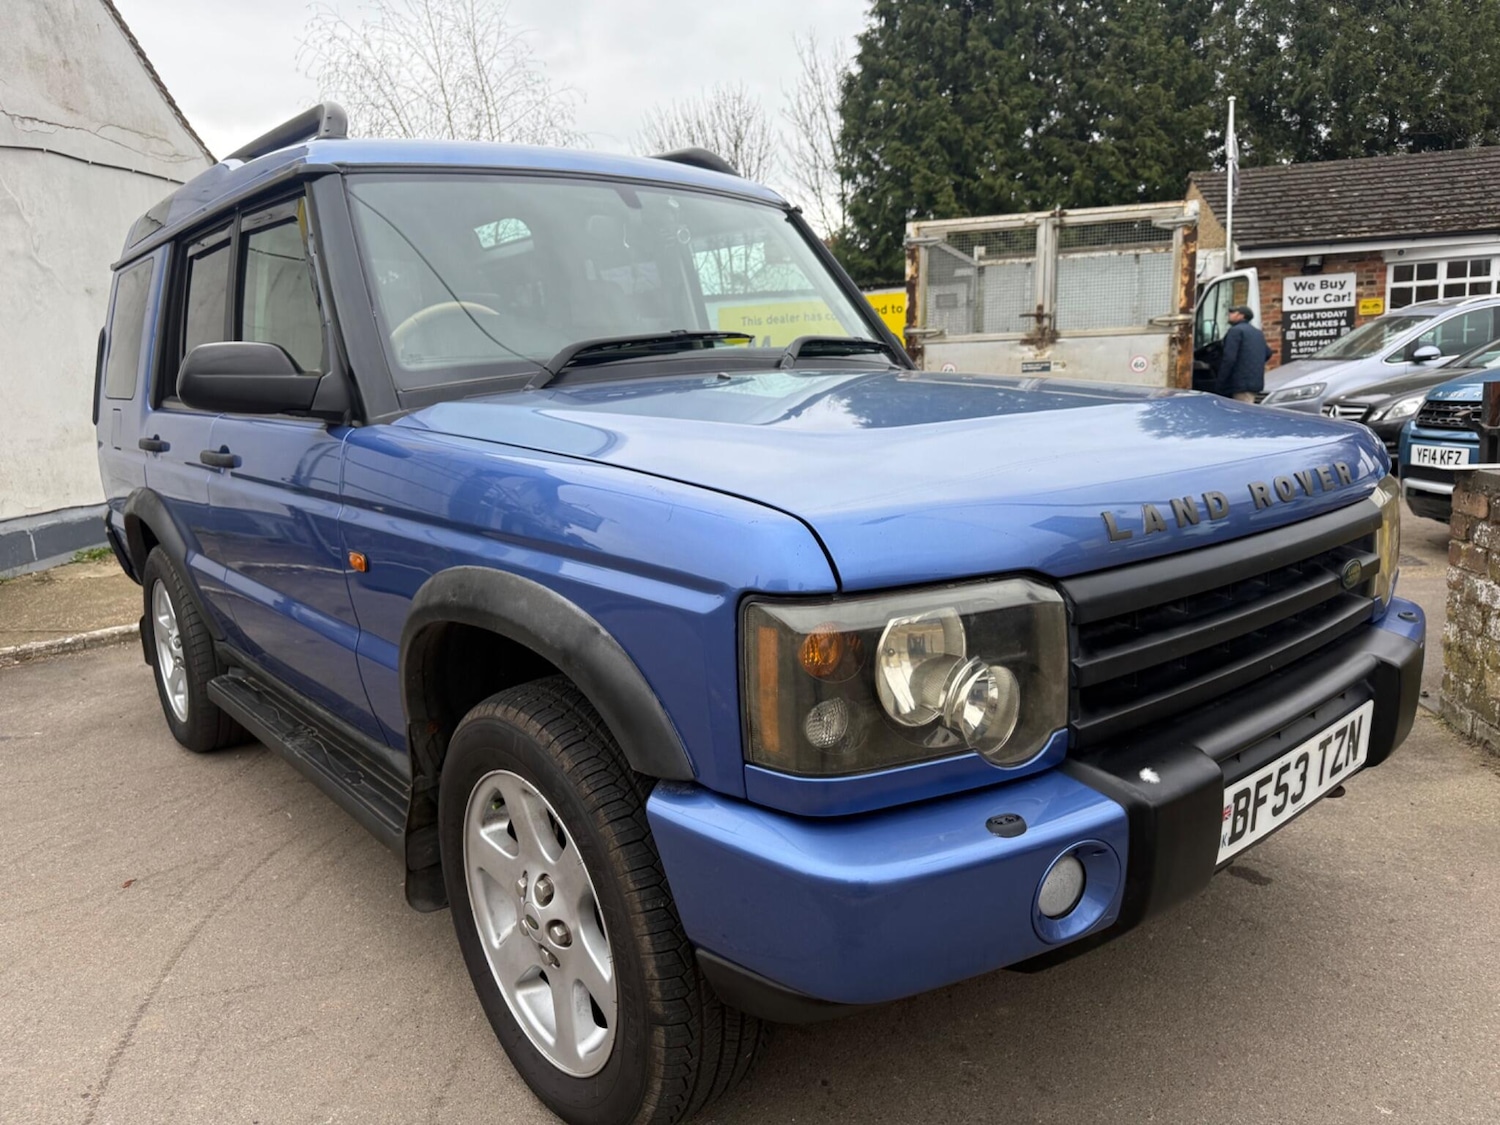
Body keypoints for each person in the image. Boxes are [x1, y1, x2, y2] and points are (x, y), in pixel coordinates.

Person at [1217, 305, 1273, 402]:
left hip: (1239, 384)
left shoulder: (1235, 331)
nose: (1229, 315)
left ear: (1241, 316)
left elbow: (1229, 358)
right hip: (1254, 383)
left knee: (1240, 412)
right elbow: (1268, 353)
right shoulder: (1257, 332)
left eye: (1233, 313)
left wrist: (1221, 381)